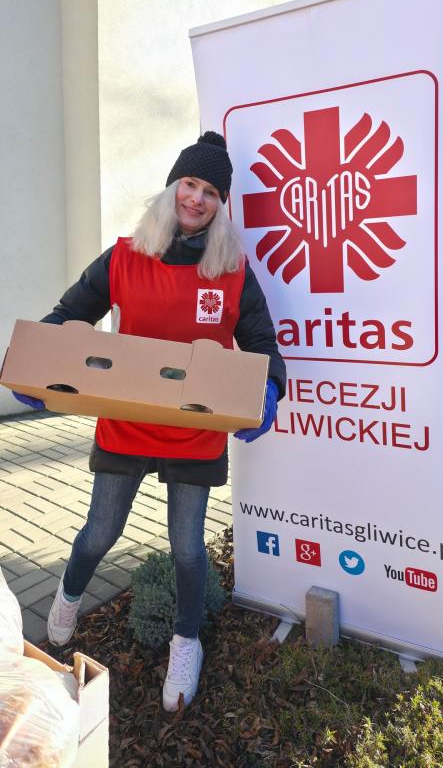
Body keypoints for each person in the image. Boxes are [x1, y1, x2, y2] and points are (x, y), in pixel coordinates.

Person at [13, 131, 286, 712]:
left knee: (187, 549)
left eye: (210, 191)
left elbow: (263, 344)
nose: (196, 198)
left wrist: (268, 391)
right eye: (190, 183)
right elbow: (68, 314)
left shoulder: (231, 271)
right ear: (172, 187)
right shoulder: (124, 257)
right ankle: (67, 597)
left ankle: (186, 642)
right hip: (127, 424)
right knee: (99, 533)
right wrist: (33, 368)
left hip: (195, 432)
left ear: (221, 204)